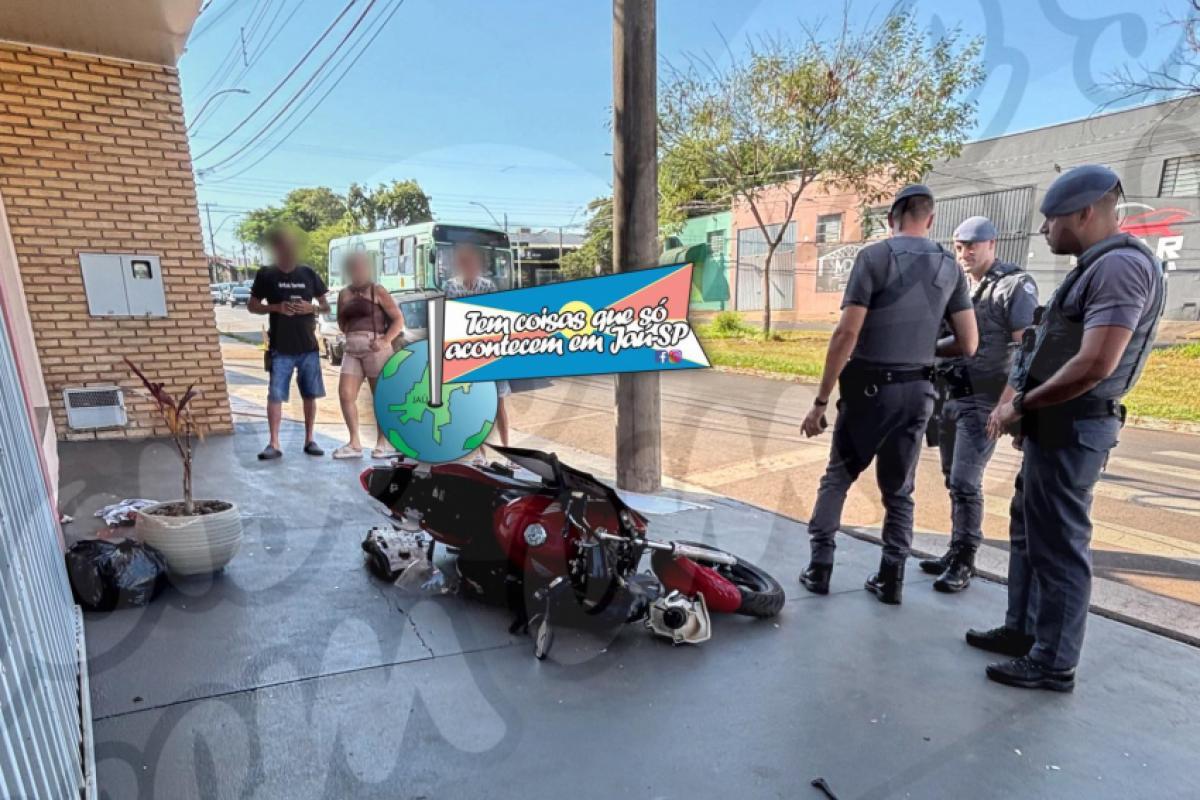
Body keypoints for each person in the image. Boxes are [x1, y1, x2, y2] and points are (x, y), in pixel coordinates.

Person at [966, 165, 1166, 692]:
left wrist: (1020, 405)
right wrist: (1015, 402)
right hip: (1051, 426)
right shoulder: (1093, 267)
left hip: (1073, 427)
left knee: (1058, 543)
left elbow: (1096, 364)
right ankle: (1023, 632)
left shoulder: (1120, 269)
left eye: (1051, 220)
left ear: (1085, 212)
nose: (1044, 231)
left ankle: (1053, 660)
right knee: (1030, 532)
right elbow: (1043, 346)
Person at [799, 185, 978, 604]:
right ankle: (891, 578)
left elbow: (847, 333)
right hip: (919, 392)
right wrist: (923, 351)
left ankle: (820, 568)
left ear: (891, 218)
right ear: (930, 219)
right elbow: (969, 343)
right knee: (899, 491)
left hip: (868, 389)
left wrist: (821, 400)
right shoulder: (949, 266)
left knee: (838, 477)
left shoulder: (874, 257)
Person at [918, 217, 1038, 592]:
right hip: (951, 395)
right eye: (958, 245)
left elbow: (1026, 348)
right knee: (952, 479)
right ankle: (956, 550)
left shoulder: (1014, 286)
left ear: (992, 244)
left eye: (972, 245)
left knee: (966, 482)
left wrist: (1008, 405)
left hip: (985, 399)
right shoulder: (957, 284)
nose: (964, 252)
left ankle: (965, 560)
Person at [249, 228, 330, 460]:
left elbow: (326, 306)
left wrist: (311, 308)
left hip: (308, 348)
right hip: (280, 347)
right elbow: (252, 306)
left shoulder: (308, 274)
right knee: (275, 395)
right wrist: (276, 307)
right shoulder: (266, 274)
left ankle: (310, 439)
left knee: (309, 394)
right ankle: (274, 443)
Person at [331, 251, 406, 460]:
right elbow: (340, 321)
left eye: (362, 266)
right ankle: (354, 443)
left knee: (380, 396)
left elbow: (398, 319)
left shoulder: (377, 291)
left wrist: (384, 340)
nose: (358, 270)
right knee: (345, 394)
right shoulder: (344, 294)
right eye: (354, 266)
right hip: (352, 348)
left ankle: (384, 443)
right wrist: (351, 334)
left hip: (376, 348)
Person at [443, 243, 510, 445]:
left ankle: (507, 448)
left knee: (499, 404)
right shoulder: (451, 286)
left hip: (489, 350)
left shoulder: (487, 285)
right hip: (465, 352)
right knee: (475, 405)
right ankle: (480, 453)